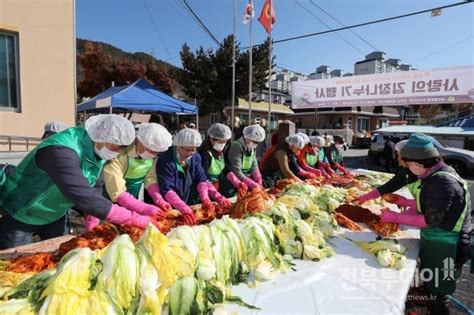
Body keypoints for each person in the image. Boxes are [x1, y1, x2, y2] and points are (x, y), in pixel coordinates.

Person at [0, 115, 159, 249]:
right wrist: (134, 219)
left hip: (55, 214)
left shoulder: (98, 152)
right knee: (15, 268)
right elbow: (82, 194)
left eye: (121, 149)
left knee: (57, 259)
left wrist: (92, 223)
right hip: (22, 213)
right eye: (115, 147)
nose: (116, 153)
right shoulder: (61, 151)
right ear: (100, 136)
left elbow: (95, 188)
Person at [381, 133, 472, 314]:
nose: (404, 167)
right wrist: (407, 203)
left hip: (448, 245)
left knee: (439, 291)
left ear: (416, 164)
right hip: (438, 241)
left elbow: (431, 220)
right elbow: (436, 205)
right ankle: (430, 300)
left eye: (406, 163)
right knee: (433, 282)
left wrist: (395, 217)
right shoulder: (437, 174)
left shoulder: (441, 181)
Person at [84, 123, 173, 231]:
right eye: (151, 150)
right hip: (107, 203)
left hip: (131, 203)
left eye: (156, 152)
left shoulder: (152, 157)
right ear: (139, 141)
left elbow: (150, 178)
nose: (153, 154)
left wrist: (159, 199)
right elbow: (118, 193)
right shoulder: (118, 154)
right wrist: (145, 208)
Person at [157, 128, 217, 226]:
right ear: (178, 146)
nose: (192, 152)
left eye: (195, 149)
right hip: (169, 205)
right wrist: (183, 207)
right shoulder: (166, 160)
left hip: (186, 202)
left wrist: (205, 199)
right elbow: (167, 189)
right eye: (189, 150)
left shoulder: (195, 158)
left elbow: (201, 179)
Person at [353, 139, 418, 207]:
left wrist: (406, 203)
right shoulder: (405, 172)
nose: (398, 159)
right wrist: (364, 198)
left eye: (399, 156)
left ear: (408, 157)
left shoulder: (427, 178)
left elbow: (426, 206)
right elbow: (388, 187)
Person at [220, 124, 265, 197]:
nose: (256, 145)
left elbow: (254, 166)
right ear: (247, 138)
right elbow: (236, 171)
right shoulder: (236, 146)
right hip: (230, 182)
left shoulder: (251, 148)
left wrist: (258, 180)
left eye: (258, 143)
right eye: (255, 142)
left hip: (243, 181)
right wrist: (251, 183)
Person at [194, 123, 232, 207]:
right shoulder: (204, 153)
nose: (223, 144)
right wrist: (208, 198)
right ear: (212, 139)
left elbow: (225, 168)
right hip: (202, 191)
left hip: (214, 188)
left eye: (225, 142)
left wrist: (237, 182)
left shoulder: (220, 153)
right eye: (221, 142)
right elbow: (203, 178)